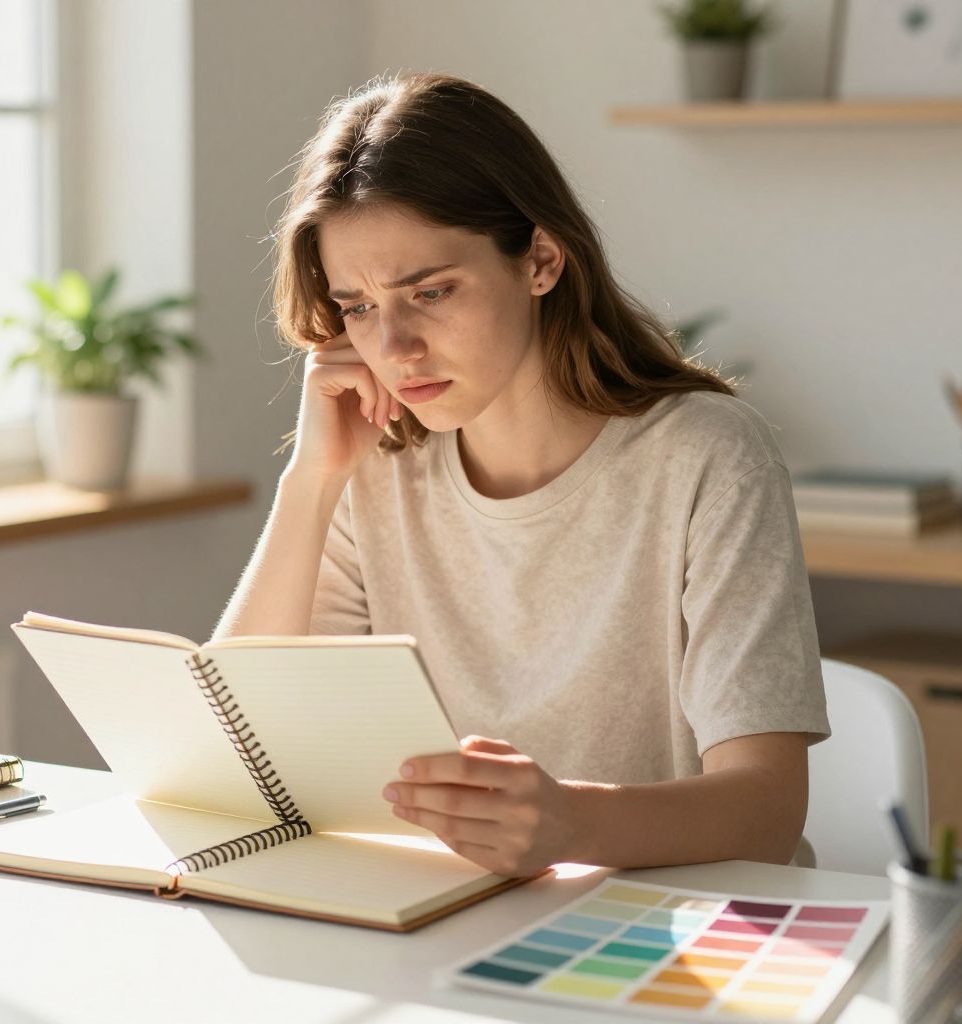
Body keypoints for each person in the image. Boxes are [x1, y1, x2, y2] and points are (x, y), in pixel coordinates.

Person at [212, 72, 830, 878]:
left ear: (540, 260)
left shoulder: (707, 455)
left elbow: (766, 812)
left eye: (429, 291)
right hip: (457, 919)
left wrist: (571, 824)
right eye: (358, 307)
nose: (393, 349)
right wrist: (310, 480)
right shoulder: (377, 466)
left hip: (665, 926)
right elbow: (232, 753)